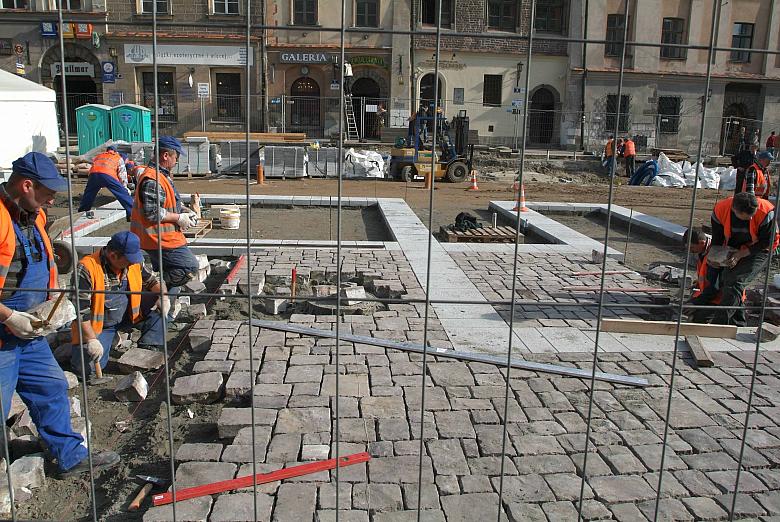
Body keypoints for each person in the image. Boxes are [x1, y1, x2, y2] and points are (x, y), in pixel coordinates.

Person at [0, 152, 119, 476]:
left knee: (51, 388)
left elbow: (47, 266)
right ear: (26, 185)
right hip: (3, 335)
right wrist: (9, 316)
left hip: (30, 331)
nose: (52, 200)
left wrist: (56, 307)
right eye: (48, 192)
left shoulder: (33, 215)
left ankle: (69, 457)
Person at [70, 231, 170, 378]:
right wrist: (91, 339)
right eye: (128, 260)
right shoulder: (87, 268)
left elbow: (153, 282)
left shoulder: (133, 263)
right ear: (113, 255)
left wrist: (164, 297)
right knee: (86, 370)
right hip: (101, 326)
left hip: (131, 315)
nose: (132, 263)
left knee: (160, 304)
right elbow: (79, 310)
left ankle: (149, 348)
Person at [130, 136, 199, 306]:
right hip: (156, 238)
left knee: (172, 271)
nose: (177, 161)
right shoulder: (153, 179)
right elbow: (152, 212)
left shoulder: (162, 175)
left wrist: (183, 210)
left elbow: (166, 202)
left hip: (162, 237)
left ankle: (162, 305)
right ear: (166, 156)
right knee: (189, 267)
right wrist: (179, 218)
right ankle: (152, 292)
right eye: (176, 157)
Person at [710, 192, 779, 325]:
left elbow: (767, 242)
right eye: (745, 218)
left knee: (736, 282)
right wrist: (715, 257)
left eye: (751, 217)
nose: (749, 220)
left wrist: (740, 254)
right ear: (734, 209)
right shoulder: (721, 209)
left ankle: (719, 325)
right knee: (727, 282)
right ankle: (738, 323)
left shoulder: (766, 211)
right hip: (734, 246)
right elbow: (717, 238)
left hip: (761, 249)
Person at [77, 146, 133, 220]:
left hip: (93, 174)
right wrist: (124, 186)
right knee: (122, 193)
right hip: (108, 175)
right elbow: (122, 174)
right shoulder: (118, 157)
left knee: (89, 193)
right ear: (115, 151)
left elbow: (94, 167)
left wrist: (96, 182)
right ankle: (132, 213)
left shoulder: (99, 156)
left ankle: (82, 211)